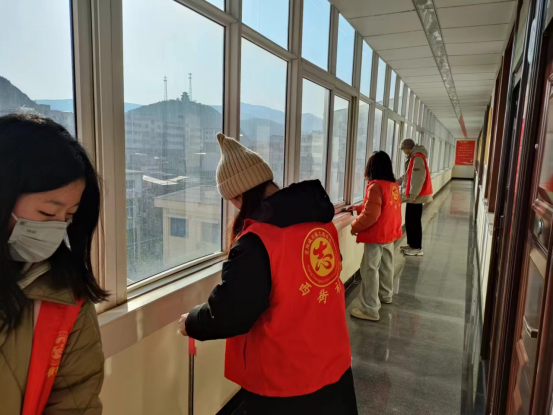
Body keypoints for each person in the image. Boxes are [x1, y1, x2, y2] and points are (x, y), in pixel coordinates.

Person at [179, 133, 358, 414]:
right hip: (333, 366)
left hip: (285, 382)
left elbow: (233, 311)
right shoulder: (321, 226)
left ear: (239, 196)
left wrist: (192, 321)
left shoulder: (256, 242)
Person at [0, 114, 107, 415]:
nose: (58, 229)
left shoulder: (66, 296)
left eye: (69, 217)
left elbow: (76, 402)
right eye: (48, 213)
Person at [347, 151, 402, 322]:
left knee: (369, 269)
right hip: (390, 232)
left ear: (372, 167)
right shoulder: (392, 184)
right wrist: (358, 208)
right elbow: (380, 207)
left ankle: (370, 309)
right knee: (386, 265)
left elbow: (371, 215)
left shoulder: (375, 186)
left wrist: (354, 226)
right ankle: (385, 295)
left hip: (377, 234)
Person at [397, 138, 433, 256]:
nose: (403, 151)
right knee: (410, 220)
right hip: (413, 196)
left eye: (403, 149)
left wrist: (413, 194)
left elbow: (418, 178)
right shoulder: (413, 157)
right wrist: (396, 182)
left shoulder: (417, 157)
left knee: (414, 221)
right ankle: (412, 244)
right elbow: (408, 175)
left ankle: (417, 247)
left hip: (416, 196)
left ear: (408, 148)